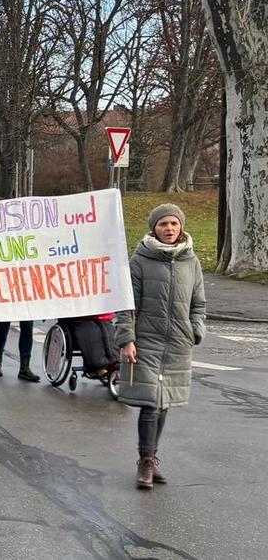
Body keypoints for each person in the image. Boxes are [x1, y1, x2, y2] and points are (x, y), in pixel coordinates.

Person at [115, 203, 205, 490]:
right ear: (154, 227)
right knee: (152, 402)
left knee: (165, 404)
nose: (169, 229)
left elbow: (198, 303)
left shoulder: (191, 261)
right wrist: (127, 339)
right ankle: (144, 460)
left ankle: (152, 457)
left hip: (178, 342)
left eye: (174, 224)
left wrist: (196, 330)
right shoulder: (139, 261)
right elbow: (126, 306)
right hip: (147, 341)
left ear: (181, 227)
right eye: (163, 224)